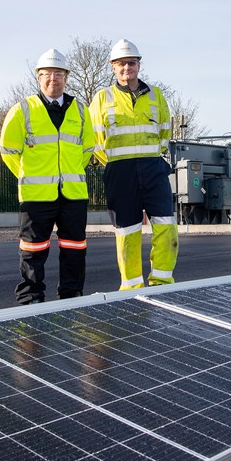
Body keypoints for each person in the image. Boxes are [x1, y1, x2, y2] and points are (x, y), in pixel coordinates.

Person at [0, 49, 95, 304]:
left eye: (58, 73)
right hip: (36, 195)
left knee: (74, 248)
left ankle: (71, 296)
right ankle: (30, 299)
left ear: (66, 77)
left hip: (73, 194)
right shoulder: (22, 110)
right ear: (38, 78)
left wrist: (69, 172)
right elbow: (7, 150)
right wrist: (28, 174)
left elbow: (88, 150)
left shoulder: (82, 111)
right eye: (47, 74)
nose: (53, 78)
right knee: (33, 250)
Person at [88, 39, 178, 290]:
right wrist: (117, 163)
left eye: (131, 63)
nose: (126, 67)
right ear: (112, 67)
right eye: (121, 64)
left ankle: (162, 280)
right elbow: (96, 140)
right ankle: (131, 286)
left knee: (166, 225)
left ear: (139, 65)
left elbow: (164, 133)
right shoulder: (101, 98)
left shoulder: (156, 95)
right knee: (127, 230)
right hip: (120, 170)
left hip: (153, 168)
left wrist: (150, 158)